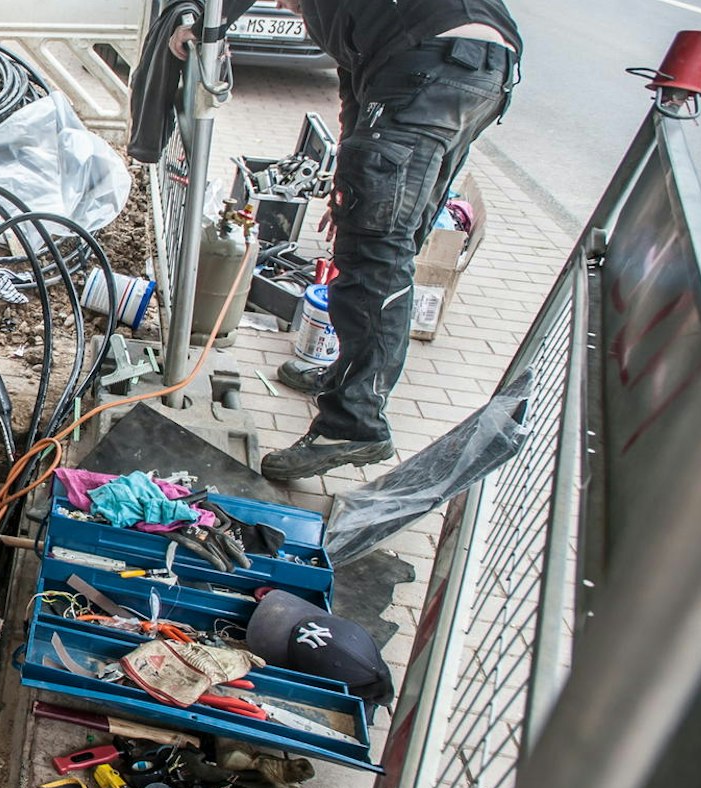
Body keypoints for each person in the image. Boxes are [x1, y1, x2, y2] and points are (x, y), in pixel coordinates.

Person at [172, 0, 521, 481]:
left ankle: (354, 424)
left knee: (379, 250)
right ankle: (347, 379)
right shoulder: (349, 13)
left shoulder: (332, 10)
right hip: (483, 65)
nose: (282, 6)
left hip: (429, 64)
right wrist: (352, 184)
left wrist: (204, 23)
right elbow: (357, 93)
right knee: (387, 233)